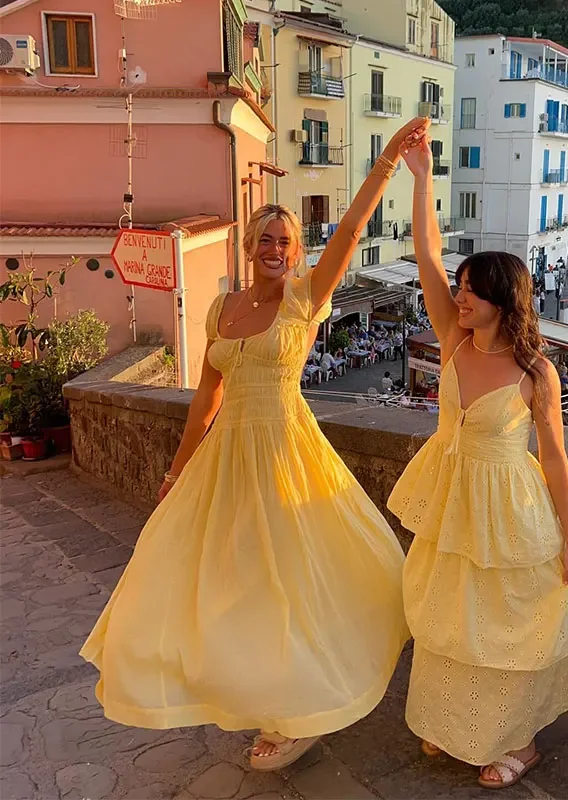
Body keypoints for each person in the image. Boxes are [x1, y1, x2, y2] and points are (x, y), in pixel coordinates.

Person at [80, 118, 430, 772]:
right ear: (249, 247)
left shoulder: (305, 299)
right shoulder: (222, 311)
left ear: (296, 254)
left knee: (289, 584)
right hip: (228, 461)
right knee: (234, 584)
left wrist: (386, 162)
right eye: (265, 239)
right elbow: (206, 400)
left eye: (285, 241)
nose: (275, 248)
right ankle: (264, 694)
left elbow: (351, 230)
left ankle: (296, 713)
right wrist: (176, 472)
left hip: (285, 453)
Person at [388, 131, 568, 789]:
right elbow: (426, 253)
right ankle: (456, 725)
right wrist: (422, 177)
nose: (460, 296)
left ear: (505, 299)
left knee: (507, 624)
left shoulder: (536, 371)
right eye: (461, 287)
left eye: (473, 290)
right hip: (453, 503)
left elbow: (556, 461)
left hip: (510, 512)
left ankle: (519, 743)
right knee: (452, 618)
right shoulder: (453, 341)